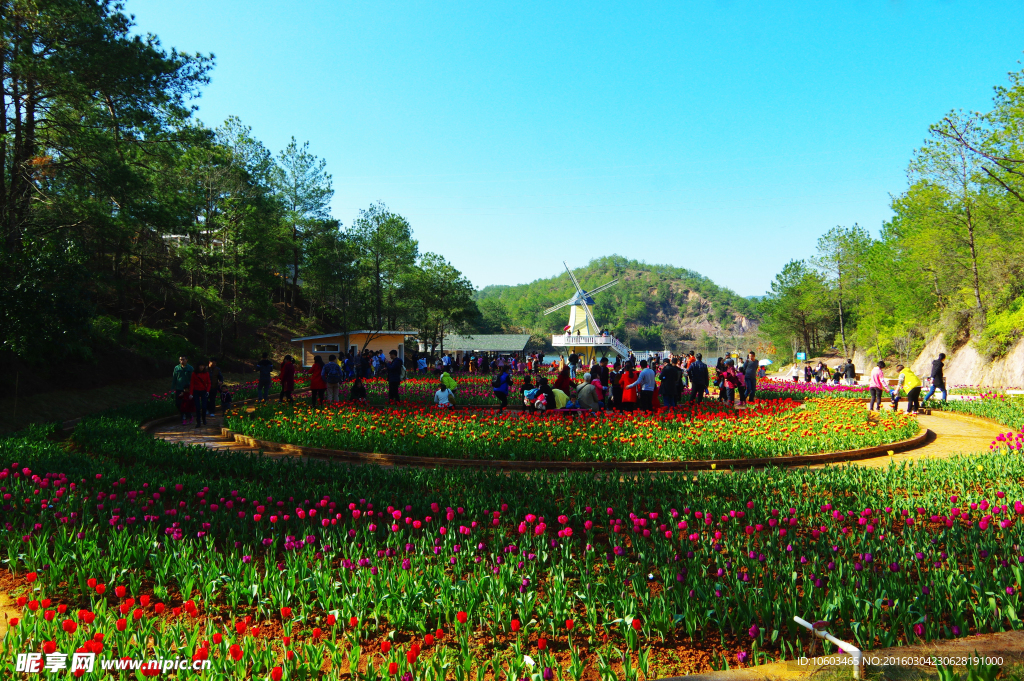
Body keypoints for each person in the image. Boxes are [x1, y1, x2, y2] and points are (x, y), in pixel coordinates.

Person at [172, 356, 194, 424]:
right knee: (178, 403)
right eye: (180, 360)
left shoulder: (190, 368)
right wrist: (172, 389)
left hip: (187, 389)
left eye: (183, 360)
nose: (182, 361)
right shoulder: (176, 368)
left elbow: (193, 379)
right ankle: (185, 415)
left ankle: (187, 416)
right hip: (179, 388)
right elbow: (174, 379)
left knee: (187, 404)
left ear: (187, 360)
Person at [190, 361, 211, 428]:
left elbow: (209, 383)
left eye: (203, 366)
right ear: (198, 366)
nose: (202, 367)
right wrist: (191, 393)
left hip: (204, 391)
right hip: (196, 391)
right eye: (200, 366)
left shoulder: (206, 373)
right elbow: (192, 383)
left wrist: (207, 391)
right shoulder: (194, 373)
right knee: (198, 407)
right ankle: (198, 422)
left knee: (204, 407)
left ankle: (204, 418)